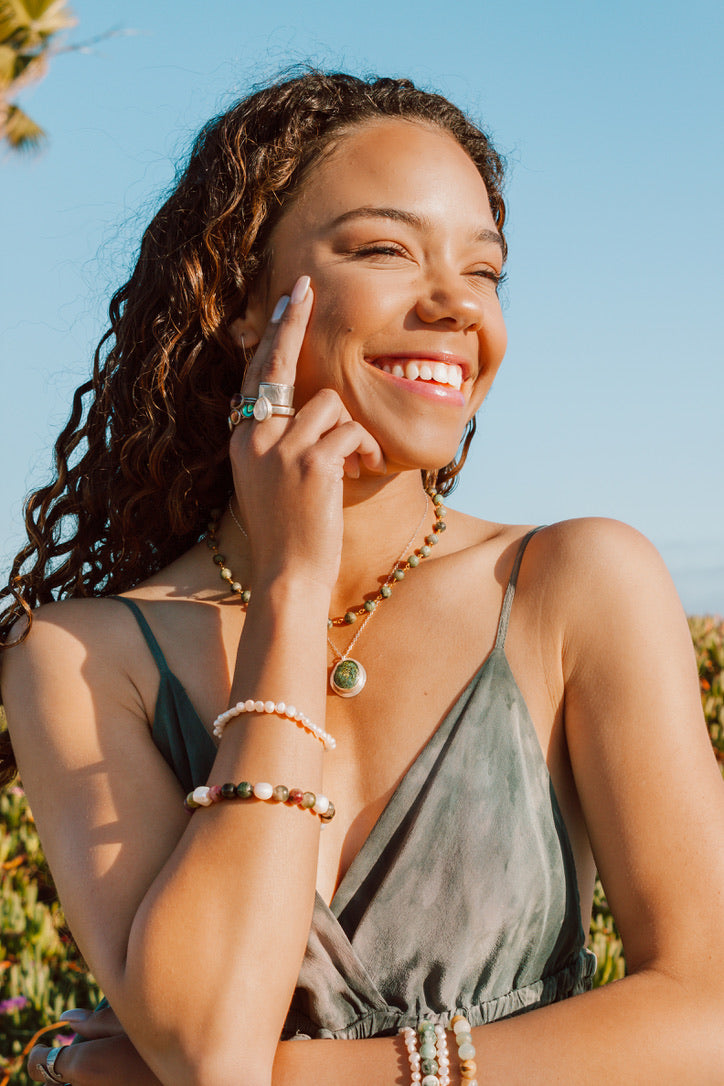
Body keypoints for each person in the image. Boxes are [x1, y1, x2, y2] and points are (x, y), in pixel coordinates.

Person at [1, 69, 722, 1086]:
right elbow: (208, 1043)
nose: (454, 306)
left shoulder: (575, 582)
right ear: (243, 297)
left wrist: (305, 1077)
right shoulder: (78, 656)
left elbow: (709, 1015)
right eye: (385, 250)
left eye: (483, 271)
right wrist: (294, 586)